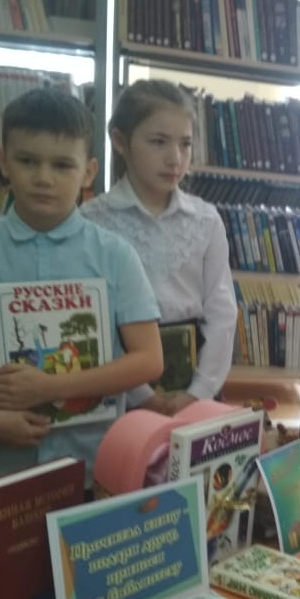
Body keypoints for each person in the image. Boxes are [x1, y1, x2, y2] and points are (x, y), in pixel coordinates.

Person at [0, 86, 164, 491]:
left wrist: (51, 387)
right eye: (27, 161)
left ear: (88, 172)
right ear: (3, 161)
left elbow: (149, 360)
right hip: (1, 467)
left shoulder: (116, 256)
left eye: (62, 165)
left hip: (95, 466)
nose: (43, 178)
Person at [80, 79, 238, 416]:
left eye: (185, 144)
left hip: (198, 383)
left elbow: (222, 312)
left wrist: (199, 392)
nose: (175, 158)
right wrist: (141, 395)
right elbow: (93, 320)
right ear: (120, 141)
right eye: (158, 142)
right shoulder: (92, 221)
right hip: (120, 385)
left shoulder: (205, 220)